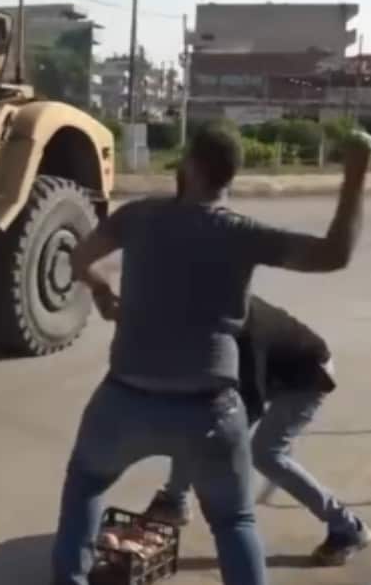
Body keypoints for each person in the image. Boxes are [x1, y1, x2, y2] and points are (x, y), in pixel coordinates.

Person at [50, 124, 371, 585]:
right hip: (210, 410)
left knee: (85, 485)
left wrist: (102, 291)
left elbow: (80, 257)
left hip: (124, 401)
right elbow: (333, 254)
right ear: (230, 177)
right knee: (234, 521)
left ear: (192, 166)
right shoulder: (241, 234)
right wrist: (356, 175)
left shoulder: (138, 217)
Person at [144, 295, 368, 567]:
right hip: (278, 371)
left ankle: (347, 528)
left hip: (308, 377)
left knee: (266, 454)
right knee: (198, 419)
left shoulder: (244, 334)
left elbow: (247, 407)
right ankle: (174, 501)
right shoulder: (207, 312)